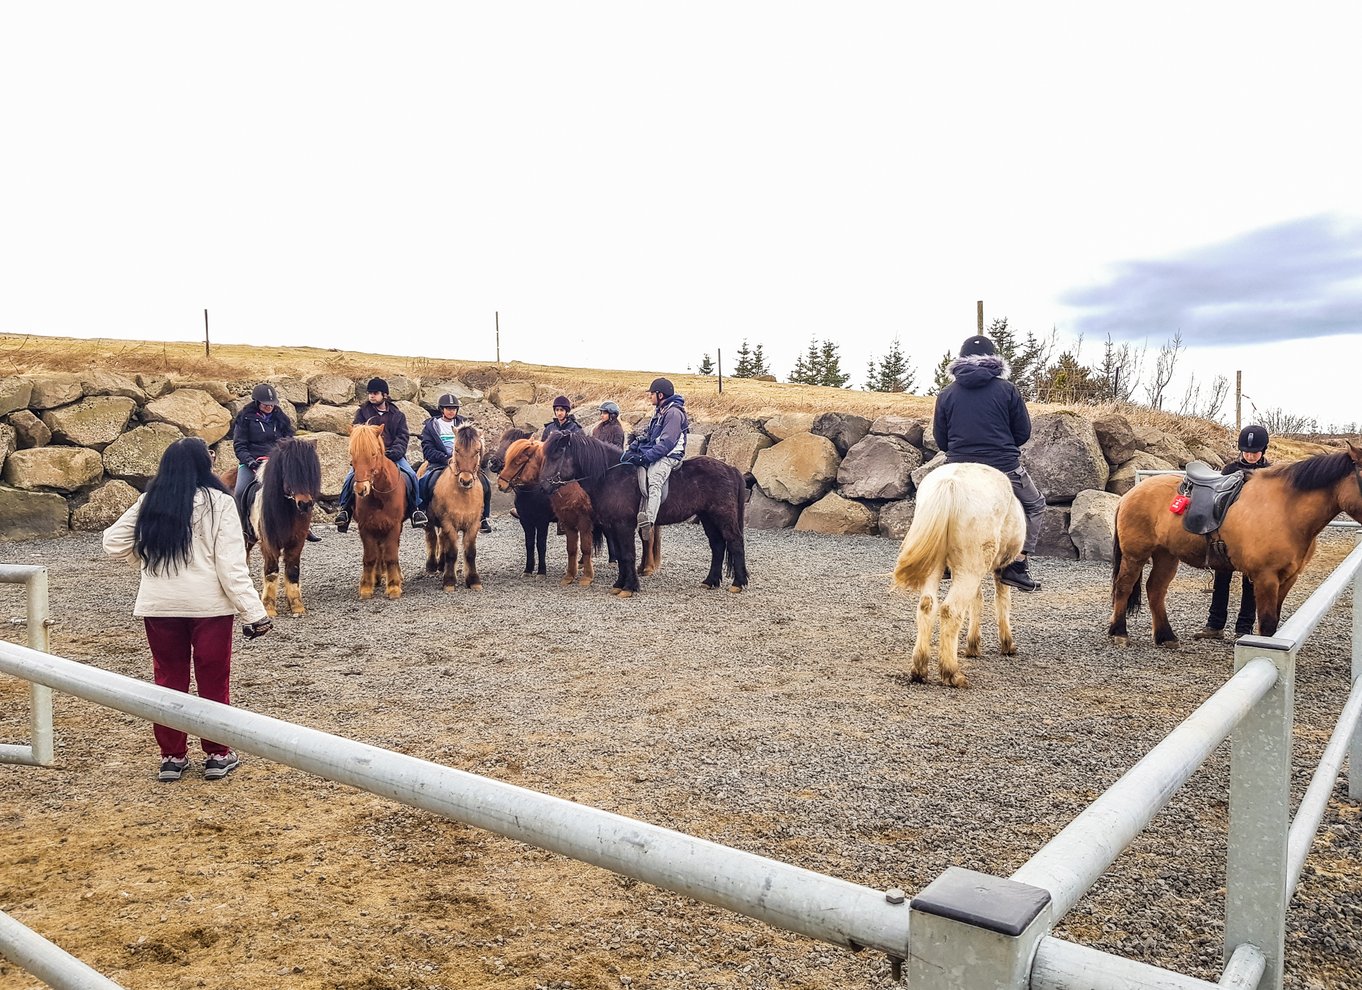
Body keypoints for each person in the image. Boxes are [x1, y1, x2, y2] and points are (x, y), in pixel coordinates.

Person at [102, 437, 271, 782]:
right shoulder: (220, 503)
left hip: (159, 604)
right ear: (202, 465)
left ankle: (172, 757)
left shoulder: (151, 500)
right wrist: (254, 613)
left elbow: (112, 542)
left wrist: (148, 554)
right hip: (208, 607)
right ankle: (217, 754)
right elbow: (231, 566)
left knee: (168, 680)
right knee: (213, 680)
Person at [931, 334, 1046, 592]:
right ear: (993, 360)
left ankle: (945, 561)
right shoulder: (1008, 390)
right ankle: (1016, 565)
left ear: (960, 360)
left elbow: (941, 440)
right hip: (1003, 466)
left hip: (958, 466)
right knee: (1036, 505)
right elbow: (1023, 433)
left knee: (940, 506)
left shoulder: (946, 394)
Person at [1194, 424, 1272, 640]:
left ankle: (1243, 629)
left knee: (1251, 584)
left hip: (1256, 538)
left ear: (1263, 450)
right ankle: (1215, 625)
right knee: (1222, 578)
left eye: (1254, 452)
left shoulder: (1270, 474)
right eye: (1246, 451)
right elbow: (1217, 500)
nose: (1250, 455)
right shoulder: (1230, 469)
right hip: (1227, 536)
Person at [231, 383, 320, 542]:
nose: (269, 407)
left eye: (272, 405)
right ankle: (243, 528)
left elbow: (289, 442)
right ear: (258, 402)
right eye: (266, 405)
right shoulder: (244, 418)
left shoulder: (281, 418)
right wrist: (250, 461)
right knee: (239, 492)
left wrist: (288, 460)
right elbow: (240, 445)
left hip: (277, 462)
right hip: (252, 461)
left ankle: (305, 526)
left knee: (300, 488)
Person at [335, 377, 422, 532]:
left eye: (375, 393)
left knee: (411, 475)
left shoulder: (398, 415)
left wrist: (393, 453)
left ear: (385, 395)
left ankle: (416, 509)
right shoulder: (362, 413)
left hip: (392, 455)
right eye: (370, 393)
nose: (371, 396)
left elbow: (402, 437)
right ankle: (344, 510)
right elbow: (357, 434)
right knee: (350, 478)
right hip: (368, 458)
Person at [621, 378, 688, 542]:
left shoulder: (673, 413)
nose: (649, 396)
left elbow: (666, 443)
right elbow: (650, 436)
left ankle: (648, 522)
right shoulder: (660, 411)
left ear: (660, 394)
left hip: (669, 455)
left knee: (654, 480)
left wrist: (645, 457)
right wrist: (635, 446)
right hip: (657, 451)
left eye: (651, 393)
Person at [417, 393, 493, 534]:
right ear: (442, 409)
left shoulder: (465, 425)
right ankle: (421, 511)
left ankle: (484, 517)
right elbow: (427, 448)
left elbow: (476, 444)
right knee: (426, 480)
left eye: (454, 408)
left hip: (464, 463)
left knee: (486, 484)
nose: (451, 411)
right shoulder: (432, 426)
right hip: (440, 462)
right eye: (447, 408)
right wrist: (445, 458)